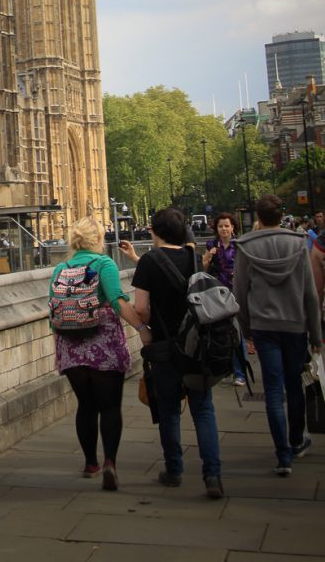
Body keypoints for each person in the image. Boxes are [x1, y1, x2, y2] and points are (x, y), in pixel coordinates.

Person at [120, 207, 224, 499]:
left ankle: (174, 470)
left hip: (165, 346)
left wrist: (145, 326)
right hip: (196, 343)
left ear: (155, 231)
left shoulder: (149, 263)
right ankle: (212, 474)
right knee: (203, 409)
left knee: (168, 411)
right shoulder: (194, 257)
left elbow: (140, 308)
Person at [50, 216, 152, 491]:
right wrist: (142, 328)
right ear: (97, 240)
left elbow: (53, 314)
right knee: (109, 407)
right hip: (103, 343)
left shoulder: (60, 268)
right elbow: (118, 300)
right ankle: (110, 462)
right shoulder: (103, 264)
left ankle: (90, 462)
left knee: (85, 406)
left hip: (70, 346)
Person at [233, 193, 322, 476]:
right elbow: (310, 294)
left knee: (273, 389)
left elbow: (239, 294)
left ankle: (283, 456)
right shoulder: (298, 244)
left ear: (258, 217)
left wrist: (247, 329)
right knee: (295, 385)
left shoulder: (246, 247)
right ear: (281, 214)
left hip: (263, 327)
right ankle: (296, 441)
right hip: (295, 326)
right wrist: (316, 335)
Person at [202, 211, 248, 386]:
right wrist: (209, 256)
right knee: (221, 332)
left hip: (236, 292)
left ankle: (239, 372)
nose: (223, 229)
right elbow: (203, 267)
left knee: (237, 332)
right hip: (217, 293)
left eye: (226, 226)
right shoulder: (212, 244)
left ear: (233, 227)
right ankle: (227, 368)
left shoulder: (239, 245)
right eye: (220, 226)